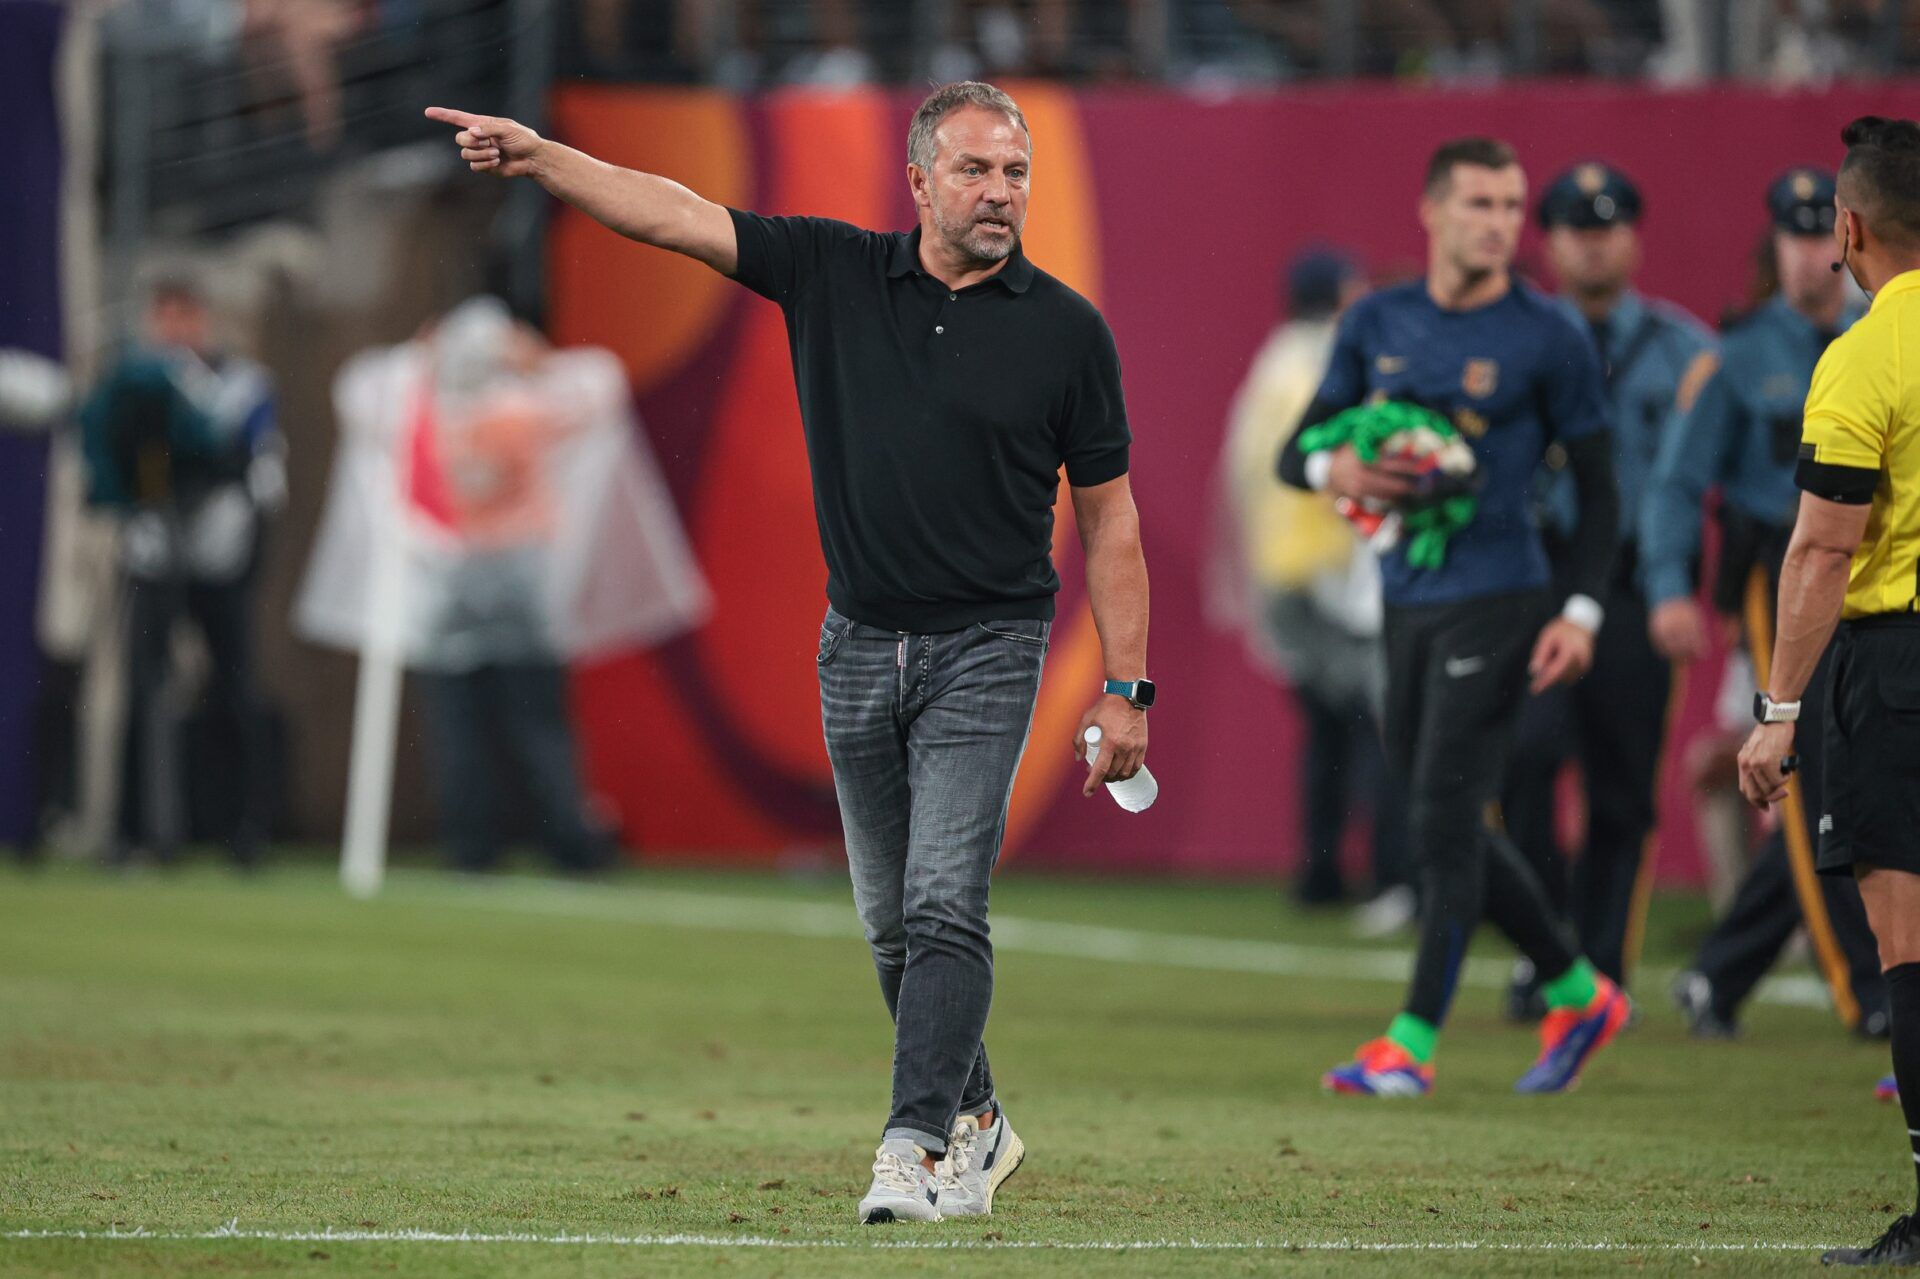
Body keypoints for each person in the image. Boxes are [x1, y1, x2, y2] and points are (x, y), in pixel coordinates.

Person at [426, 80, 1152, 1224]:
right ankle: (979, 1118)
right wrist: (542, 158)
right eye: (974, 169)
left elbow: (1110, 521)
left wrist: (1125, 688)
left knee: (943, 902)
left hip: (991, 646)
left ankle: (911, 1147)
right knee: (891, 927)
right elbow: (671, 212)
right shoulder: (831, 269)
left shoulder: (1069, 331)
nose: (1000, 191)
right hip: (857, 642)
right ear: (918, 181)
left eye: (1016, 171)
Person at [1278, 137, 1628, 1097]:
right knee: (1440, 813)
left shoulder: (1550, 334)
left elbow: (1602, 492)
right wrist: (1340, 467)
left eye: (1512, 206)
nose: (1500, 223)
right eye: (1480, 203)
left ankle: (1412, 1043)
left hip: (1504, 594)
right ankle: (1578, 989)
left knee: (1439, 812)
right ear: (1431, 211)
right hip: (1405, 598)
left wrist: (1583, 611)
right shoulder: (1377, 321)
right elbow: (1294, 454)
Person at [1735, 116, 1920, 1268]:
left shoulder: (1861, 355)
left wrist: (1779, 711)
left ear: (1848, 227)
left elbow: (1821, 548)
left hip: (1898, 668)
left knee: (1909, 946)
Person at [1643, 169, 1887, 1040]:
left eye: (1823, 233)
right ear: (1774, 245)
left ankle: (1719, 972)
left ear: (1849, 236)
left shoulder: (1879, 338)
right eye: (1795, 235)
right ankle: (1868, 991)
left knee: (1850, 778)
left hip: (1876, 567)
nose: (1812, 254)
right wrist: (1668, 586)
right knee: (1815, 772)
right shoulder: (1738, 358)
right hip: (1781, 570)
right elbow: (1677, 483)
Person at [1499, 162, 1715, 1018]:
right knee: (1522, 760)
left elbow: (1693, 482)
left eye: (1609, 228)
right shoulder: (1518, 338)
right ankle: (1547, 947)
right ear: (1550, 243)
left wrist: (1679, 584)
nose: (1593, 244)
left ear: (1633, 239)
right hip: (1533, 577)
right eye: (1576, 230)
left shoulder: (1684, 349)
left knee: (1622, 785)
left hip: (1631, 580)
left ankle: (1602, 965)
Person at [1215, 249, 1412, 934]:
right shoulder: (1327, 362)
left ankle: (1320, 872)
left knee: (1329, 728)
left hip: (1282, 569)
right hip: (1333, 569)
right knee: (1374, 720)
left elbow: (1240, 478)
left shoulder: (1271, 363)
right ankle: (1391, 876)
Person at [79, 276, 282, 870]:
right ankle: (136, 831)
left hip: (218, 552)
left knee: (233, 687)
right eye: (165, 318)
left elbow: (257, 468)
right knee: (144, 687)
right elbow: (106, 454)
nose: (176, 330)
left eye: (186, 317)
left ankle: (242, 830)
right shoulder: (131, 381)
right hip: (153, 547)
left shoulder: (241, 383)